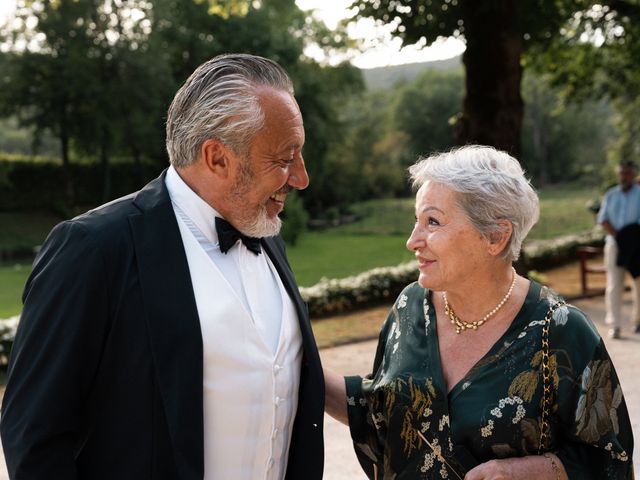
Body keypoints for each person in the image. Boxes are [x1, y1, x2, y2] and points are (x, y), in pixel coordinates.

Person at [0, 53, 324, 479]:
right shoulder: (92, 249)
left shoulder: (264, 229)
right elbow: (35, 436)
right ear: (217, 158)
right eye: (284, 159)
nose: (301, 177)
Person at [325, 146, 634, 479]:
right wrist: (301, 369)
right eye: (417, 221)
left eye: (432, 221)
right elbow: (381, 414)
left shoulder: (559, 330)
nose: (413, 241)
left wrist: (525, 472)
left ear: (495, 237)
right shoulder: (409, 308)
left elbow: (611, 461)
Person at [597, 160, 640, 339]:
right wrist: (619, 236)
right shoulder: (611, 194)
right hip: (614, 245)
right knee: (614, 285)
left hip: (637, 246)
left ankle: (638, 321)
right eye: (622, 173)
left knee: (638, 284)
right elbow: (603, 218)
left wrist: (630, 237)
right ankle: (615, 325)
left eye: (627, 173)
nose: (624, 176)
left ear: (633, 174)